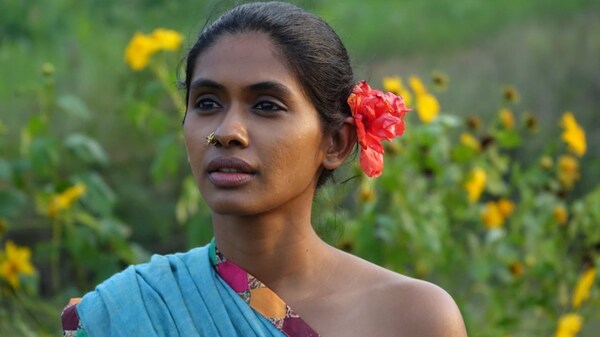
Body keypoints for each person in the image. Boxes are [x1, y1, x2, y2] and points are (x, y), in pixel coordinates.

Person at [62, 2, 468, 336]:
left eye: (266, 106)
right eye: (206, 103)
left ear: (336, 142)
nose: (226, 132)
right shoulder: (126, 312)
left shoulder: (412, 318)